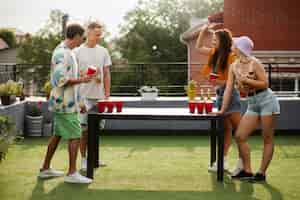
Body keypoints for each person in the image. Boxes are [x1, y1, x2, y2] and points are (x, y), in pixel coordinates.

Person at [218, 36, 280, 182]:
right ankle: (247, 170)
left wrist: (246, 80)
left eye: (234, 44)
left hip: (267, 100)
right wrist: (222, 110)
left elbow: (265, 83)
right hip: (252, 102)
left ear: (240, 47)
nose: (231, 46)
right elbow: (228, 89)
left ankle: (261, 173)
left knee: (267, 138)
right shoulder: (233, 66)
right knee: (240, 136)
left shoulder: (255, 62)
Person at [38, 24, 93, 184]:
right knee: (76, 134)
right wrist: (82, 80)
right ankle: (72, 173)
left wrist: (81, 82)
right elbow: (59, 79)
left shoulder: (68, 52)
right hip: (64, 104)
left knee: (58, 134)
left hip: (68, 102)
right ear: (75, 36)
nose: (82, 41)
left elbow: (68, 76)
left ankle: (45, 169)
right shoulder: (61, 53)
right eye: (81, 38)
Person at [196, 23, 242, 173]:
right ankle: (223, 161)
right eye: (212, 38)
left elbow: (232, 82)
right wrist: (203, 31)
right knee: (226, 129)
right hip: (220, 94)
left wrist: (217, 82)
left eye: (215, 39)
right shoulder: (214, 53)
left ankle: (242, 164)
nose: (212, 41)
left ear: (223, 40)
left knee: (239, 132)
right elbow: (198, 47)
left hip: (231, 95)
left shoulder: (231, 56)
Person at [74, 21, 112, 171]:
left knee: (95, 130)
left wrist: (107, 95)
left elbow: (107, 73)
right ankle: (83, 160)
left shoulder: (103, 51)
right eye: (96, 34)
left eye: (100, 34)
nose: (99, 37)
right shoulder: (77, 52)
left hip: (99, 97)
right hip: (83, 97)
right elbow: (74, 75)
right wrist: (85, 75)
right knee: (83, 131)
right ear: (88, 33)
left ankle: (94, 158)